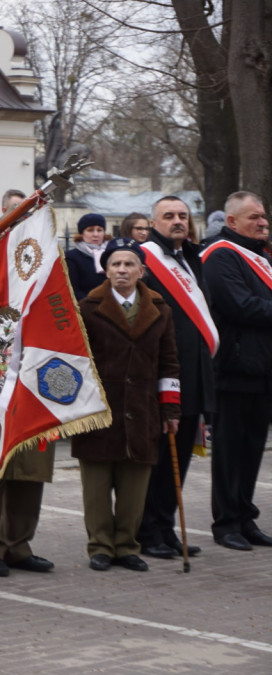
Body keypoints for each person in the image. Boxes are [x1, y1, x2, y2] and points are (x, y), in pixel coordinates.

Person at [73, 238, 180, 572]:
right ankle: (101, 546)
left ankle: (127, 545)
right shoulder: (87, 307)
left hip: (143, 408)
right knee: (97, 487)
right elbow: (74, 360)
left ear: (141, 271)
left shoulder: (160, 309)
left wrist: (171, 410)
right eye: (116, 264)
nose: (122, 270)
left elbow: (169, 362)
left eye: (129, 264)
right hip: (98, 410)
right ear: (106, 270)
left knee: (135, 488)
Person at [0, 193, 56, 579]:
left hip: (34, 374)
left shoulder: (49, 260)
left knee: (31, 468)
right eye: (16, 212)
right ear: (3, 215)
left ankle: (19, 544)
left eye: (30, 212)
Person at [136, 196, 214, 559]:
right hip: (161, 375)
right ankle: (147, 529)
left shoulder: (192, 259)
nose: (177, 221)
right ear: (154, 222)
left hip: (193, 374)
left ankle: (165, 526)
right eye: (168, 216)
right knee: (157, 457)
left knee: (179, 456)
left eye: (183, 215)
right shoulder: (145, 260)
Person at [201, 191, 272, 551]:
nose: (262, 222)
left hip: (262, 370)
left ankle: (246, 518)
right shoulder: (221, 256)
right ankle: (226, 522)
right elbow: (242, 306)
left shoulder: (261, 257)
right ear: (231, 222)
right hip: (233, 369)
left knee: (252, 449)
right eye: (254, 217)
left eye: (263, 217)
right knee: (229, 451)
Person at [65, 213, 109, 301]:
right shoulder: (72, 257)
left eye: (99, 230)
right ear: (82, 233)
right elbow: (73, 289)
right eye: (90, 230)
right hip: (86, 306)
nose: (95, 234)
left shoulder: (111, 254)